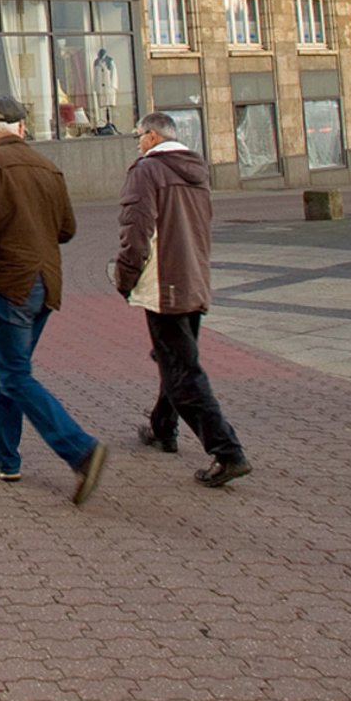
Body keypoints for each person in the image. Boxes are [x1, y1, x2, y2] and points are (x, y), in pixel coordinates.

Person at [0, 95, 107, 505]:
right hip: (45, 284)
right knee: (12, 369)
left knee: (13, 375)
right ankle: (5, 457)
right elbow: (67, 228)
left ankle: (80, 450)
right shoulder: (48, 167)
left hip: (8, 282)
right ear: (23, 128)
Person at [114, 111, 251, 489]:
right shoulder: (196, 170)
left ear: (153, 137)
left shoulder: (147, 171)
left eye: (139, 136)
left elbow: (135, 231)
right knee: (174, 357)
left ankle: (227, 451)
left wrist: (124, 278)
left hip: (164, 284)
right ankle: (162, 427)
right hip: (193, 279)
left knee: (182, 372)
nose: (137, 143)